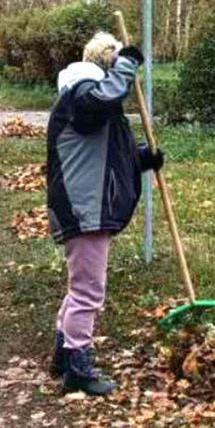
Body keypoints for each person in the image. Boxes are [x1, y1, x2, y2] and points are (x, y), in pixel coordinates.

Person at [46, 32, 163, 396]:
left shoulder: (89, 102)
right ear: (107, 67)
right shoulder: (80, 95)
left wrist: (143, 159)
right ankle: (78, 366)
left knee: (79, 288)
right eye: (117, 68)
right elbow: (101, 99)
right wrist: (126, 66)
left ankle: (63, 356)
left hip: (88, 205)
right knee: (88, 292)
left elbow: (108, 156)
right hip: (84, 208)